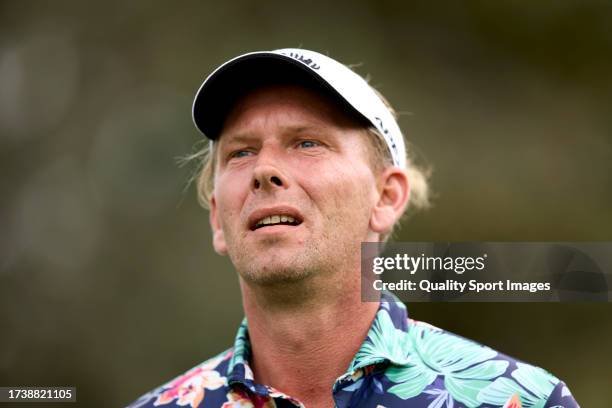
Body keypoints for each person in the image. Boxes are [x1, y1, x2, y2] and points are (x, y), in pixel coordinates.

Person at [127, 48, 579, 408]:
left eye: (307, 143)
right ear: (216, 219)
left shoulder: (517, 399)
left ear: (386, 198)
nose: (264, 170)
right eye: (240, 153)